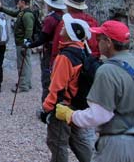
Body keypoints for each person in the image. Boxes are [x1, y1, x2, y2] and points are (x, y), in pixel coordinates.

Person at [55, 20, 133, 162]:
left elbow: (99, 116)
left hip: (116, 145)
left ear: (108, 42)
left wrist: (70, 115)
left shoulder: (107, 71)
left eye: (99, 38)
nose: (97, 42)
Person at [42, 14, 95, 162]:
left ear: (71, 34)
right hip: (77, 104)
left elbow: (57, 87)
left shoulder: (65, 57)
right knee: (77, 140)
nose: (63, 27)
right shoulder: (83, 51)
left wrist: (47, 108)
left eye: (66, 27)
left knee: (57, 142)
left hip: (63, 106)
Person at [24, 0, 66, 102]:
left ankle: (46, 105)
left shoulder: (50, 19)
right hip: (62, 51)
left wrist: (29, 45)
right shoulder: (63, 17)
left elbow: (42, 39)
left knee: (47, 78)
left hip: (49, 51)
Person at [51, 0, 99, 66]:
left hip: (69, 62)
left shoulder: (66, 22)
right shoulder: (92, 22)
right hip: (91, 62)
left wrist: (53, 62)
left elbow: (58, 43)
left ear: (69, 6)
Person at [0, 0, 35, 92]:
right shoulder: (22, 12)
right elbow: (12, 13)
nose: (17, 3)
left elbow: (29, 30)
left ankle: (23, 86)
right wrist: (2, 8)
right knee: (26, 63)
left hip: (22, 44)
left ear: (23, 2)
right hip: (21, 43)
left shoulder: (27, 15)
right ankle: (26, 82)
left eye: (19, 2)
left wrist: (25, 44)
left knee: (22, 64)